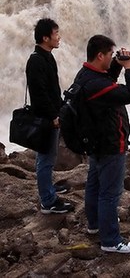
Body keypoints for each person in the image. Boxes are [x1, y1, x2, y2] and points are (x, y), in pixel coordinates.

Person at [74, 34, 130, 254]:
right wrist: (129, 68)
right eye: (110, 55)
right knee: (110, 194)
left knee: (94, 186)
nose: (113, 57)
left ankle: (94, 225)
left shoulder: (85, 76)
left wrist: (116, 66)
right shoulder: (96, 85)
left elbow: (107, 83)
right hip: (110, 144)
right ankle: (111, 240)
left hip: (96, 142)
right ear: (100, 55)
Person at [26, 18, 74, 214]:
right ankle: (48, 201)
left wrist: (62, 109)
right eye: (56, 34)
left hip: (52, 115)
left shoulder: (47, 57)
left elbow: (52, 90)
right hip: (46, 119)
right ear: (45, 38)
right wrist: (53, 116)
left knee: (47, 157)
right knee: (45, 159)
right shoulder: (36, 61)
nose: (59, 37)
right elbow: (39, 95)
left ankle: (48, 189)